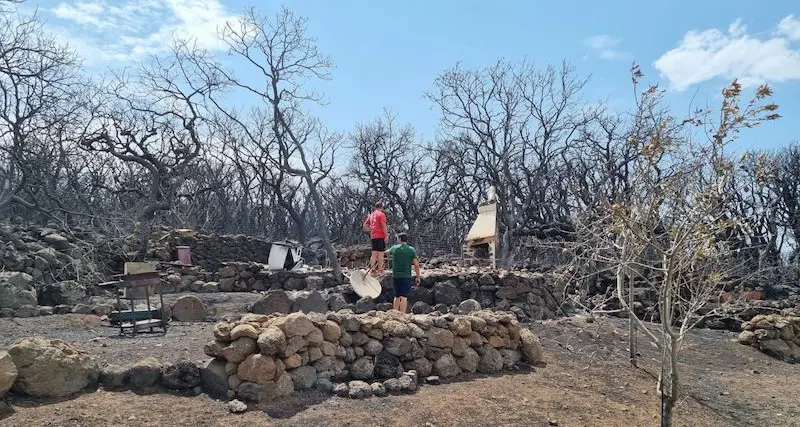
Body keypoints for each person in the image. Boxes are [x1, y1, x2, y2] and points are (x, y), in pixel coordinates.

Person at [385, 232, 420, 313]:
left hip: (396, 276)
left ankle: (395, 314)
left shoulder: (394, 248)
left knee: (397, 296)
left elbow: (385, 252)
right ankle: (402, 315)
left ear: (400, 239)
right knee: (404, 297)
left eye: (397, 238)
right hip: (406, 276)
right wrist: (418, 276)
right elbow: (416, 265)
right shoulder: (411, 249)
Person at [363, 202, 389, 274]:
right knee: (381, 253)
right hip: (380, 235)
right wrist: (386, 235)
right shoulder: (381, 214)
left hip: (373, 236)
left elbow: (365, 225)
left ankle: (373, 269)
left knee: (374, 253)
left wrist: (370, 230)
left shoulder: (371, 215)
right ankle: (380, 269)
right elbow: (383, 225)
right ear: (382, 207)